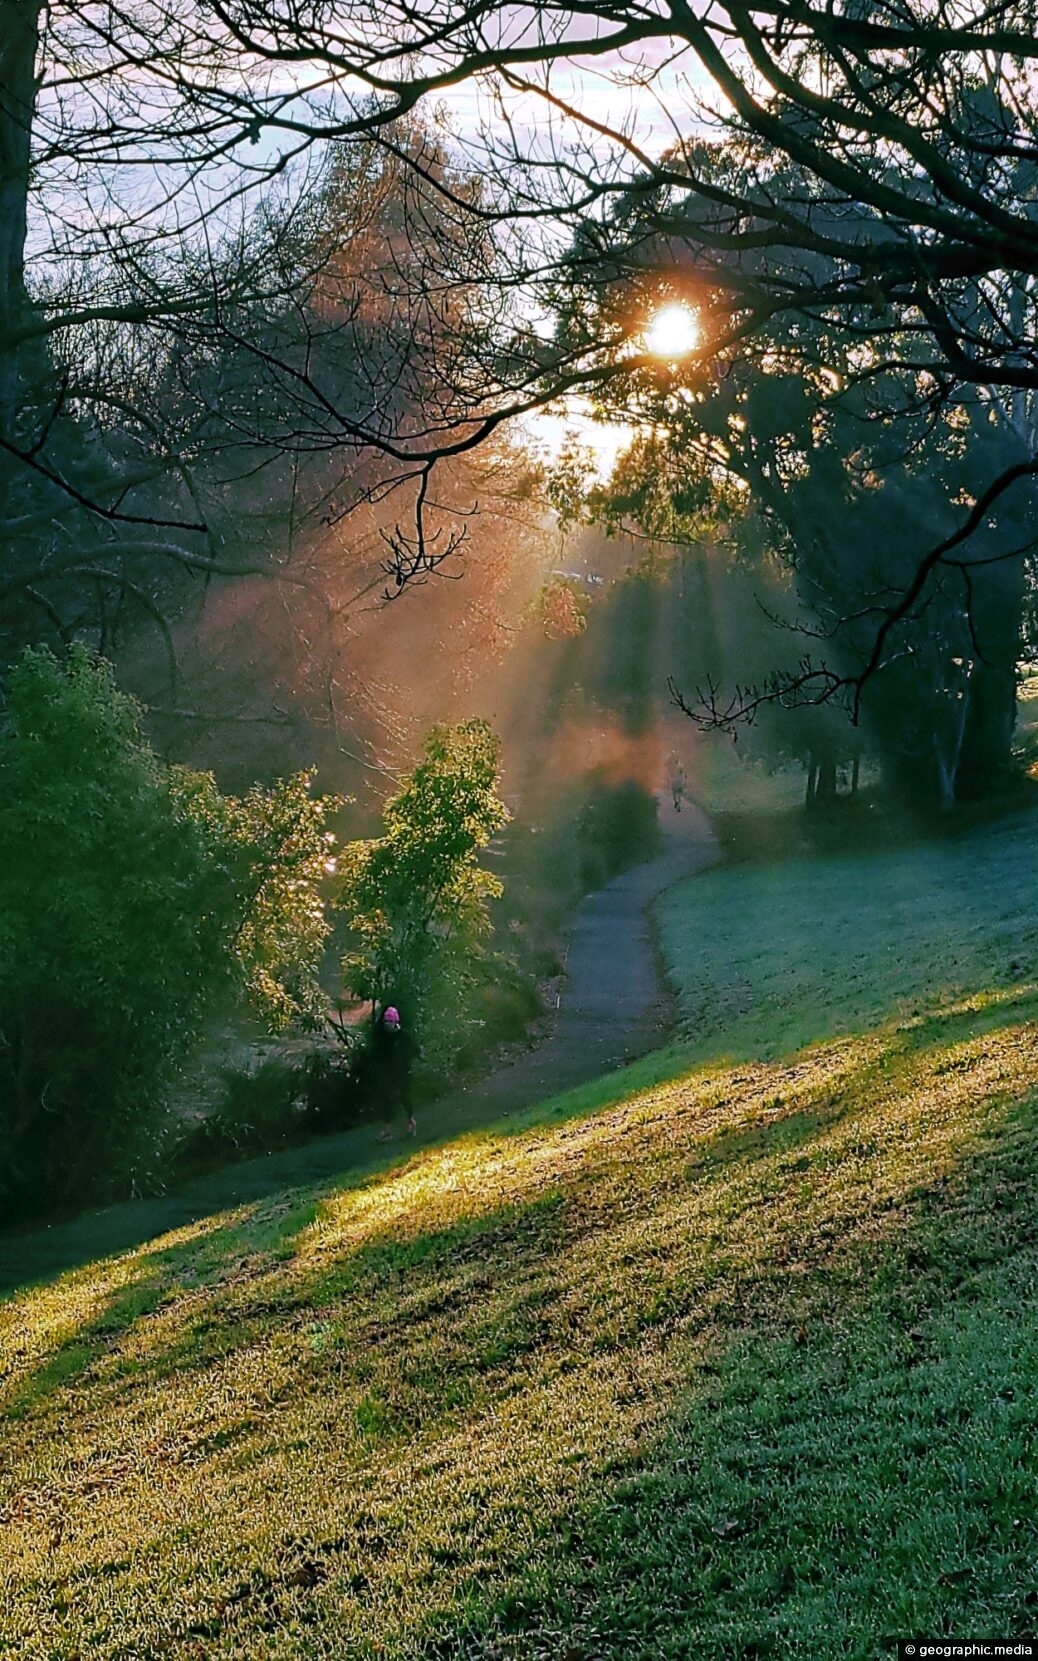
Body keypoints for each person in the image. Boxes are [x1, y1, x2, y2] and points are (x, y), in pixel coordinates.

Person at [371, 1004, 418, 1140]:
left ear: (395, 1022)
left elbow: (415, 1051)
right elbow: (378, 1055)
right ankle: (387, 1130)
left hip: (403, 1072)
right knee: (387, 1099)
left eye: (390, 1021)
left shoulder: (404, 1037)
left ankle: (410, 1120)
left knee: (404, 1098)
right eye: (386, 1021)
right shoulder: (383, 1038)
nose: (387, 1024)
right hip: (389, 1074)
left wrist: (404, 1058)